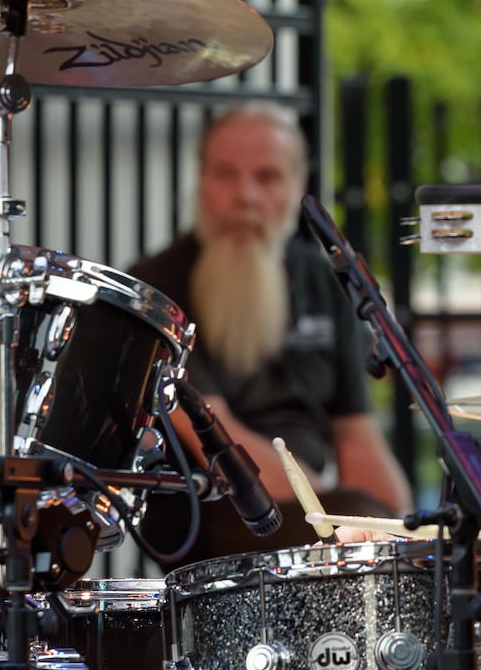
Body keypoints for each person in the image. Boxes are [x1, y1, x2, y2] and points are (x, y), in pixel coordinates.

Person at [131, 103, 411, 567]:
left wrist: (406, 528)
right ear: (201, 181)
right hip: (216, 508)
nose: (244, 195)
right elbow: (213, 438)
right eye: (225, 174)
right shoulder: (156, 290)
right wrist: (343, 516)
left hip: (320, 508)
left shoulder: (323, 279)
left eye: (267, 177)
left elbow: (356, 434)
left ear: (297, 186)